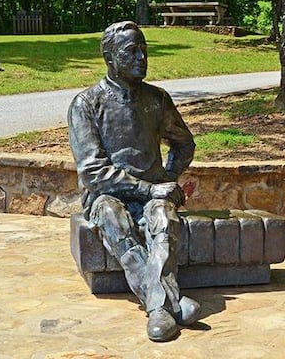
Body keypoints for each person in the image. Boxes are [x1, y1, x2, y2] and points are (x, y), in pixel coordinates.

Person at [68, 21, 200, 342]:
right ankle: (164, 305)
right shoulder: (86, 105)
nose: (142, 57)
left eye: (144, 49)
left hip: (153, 192)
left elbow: (184, 144)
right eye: (131, 51)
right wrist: (150, 188)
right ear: (109, 58)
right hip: (106, 196)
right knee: (115, 218)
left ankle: (159, 307)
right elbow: (93, 172)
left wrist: (166, 180)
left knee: (164, 218)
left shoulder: (157, 99)